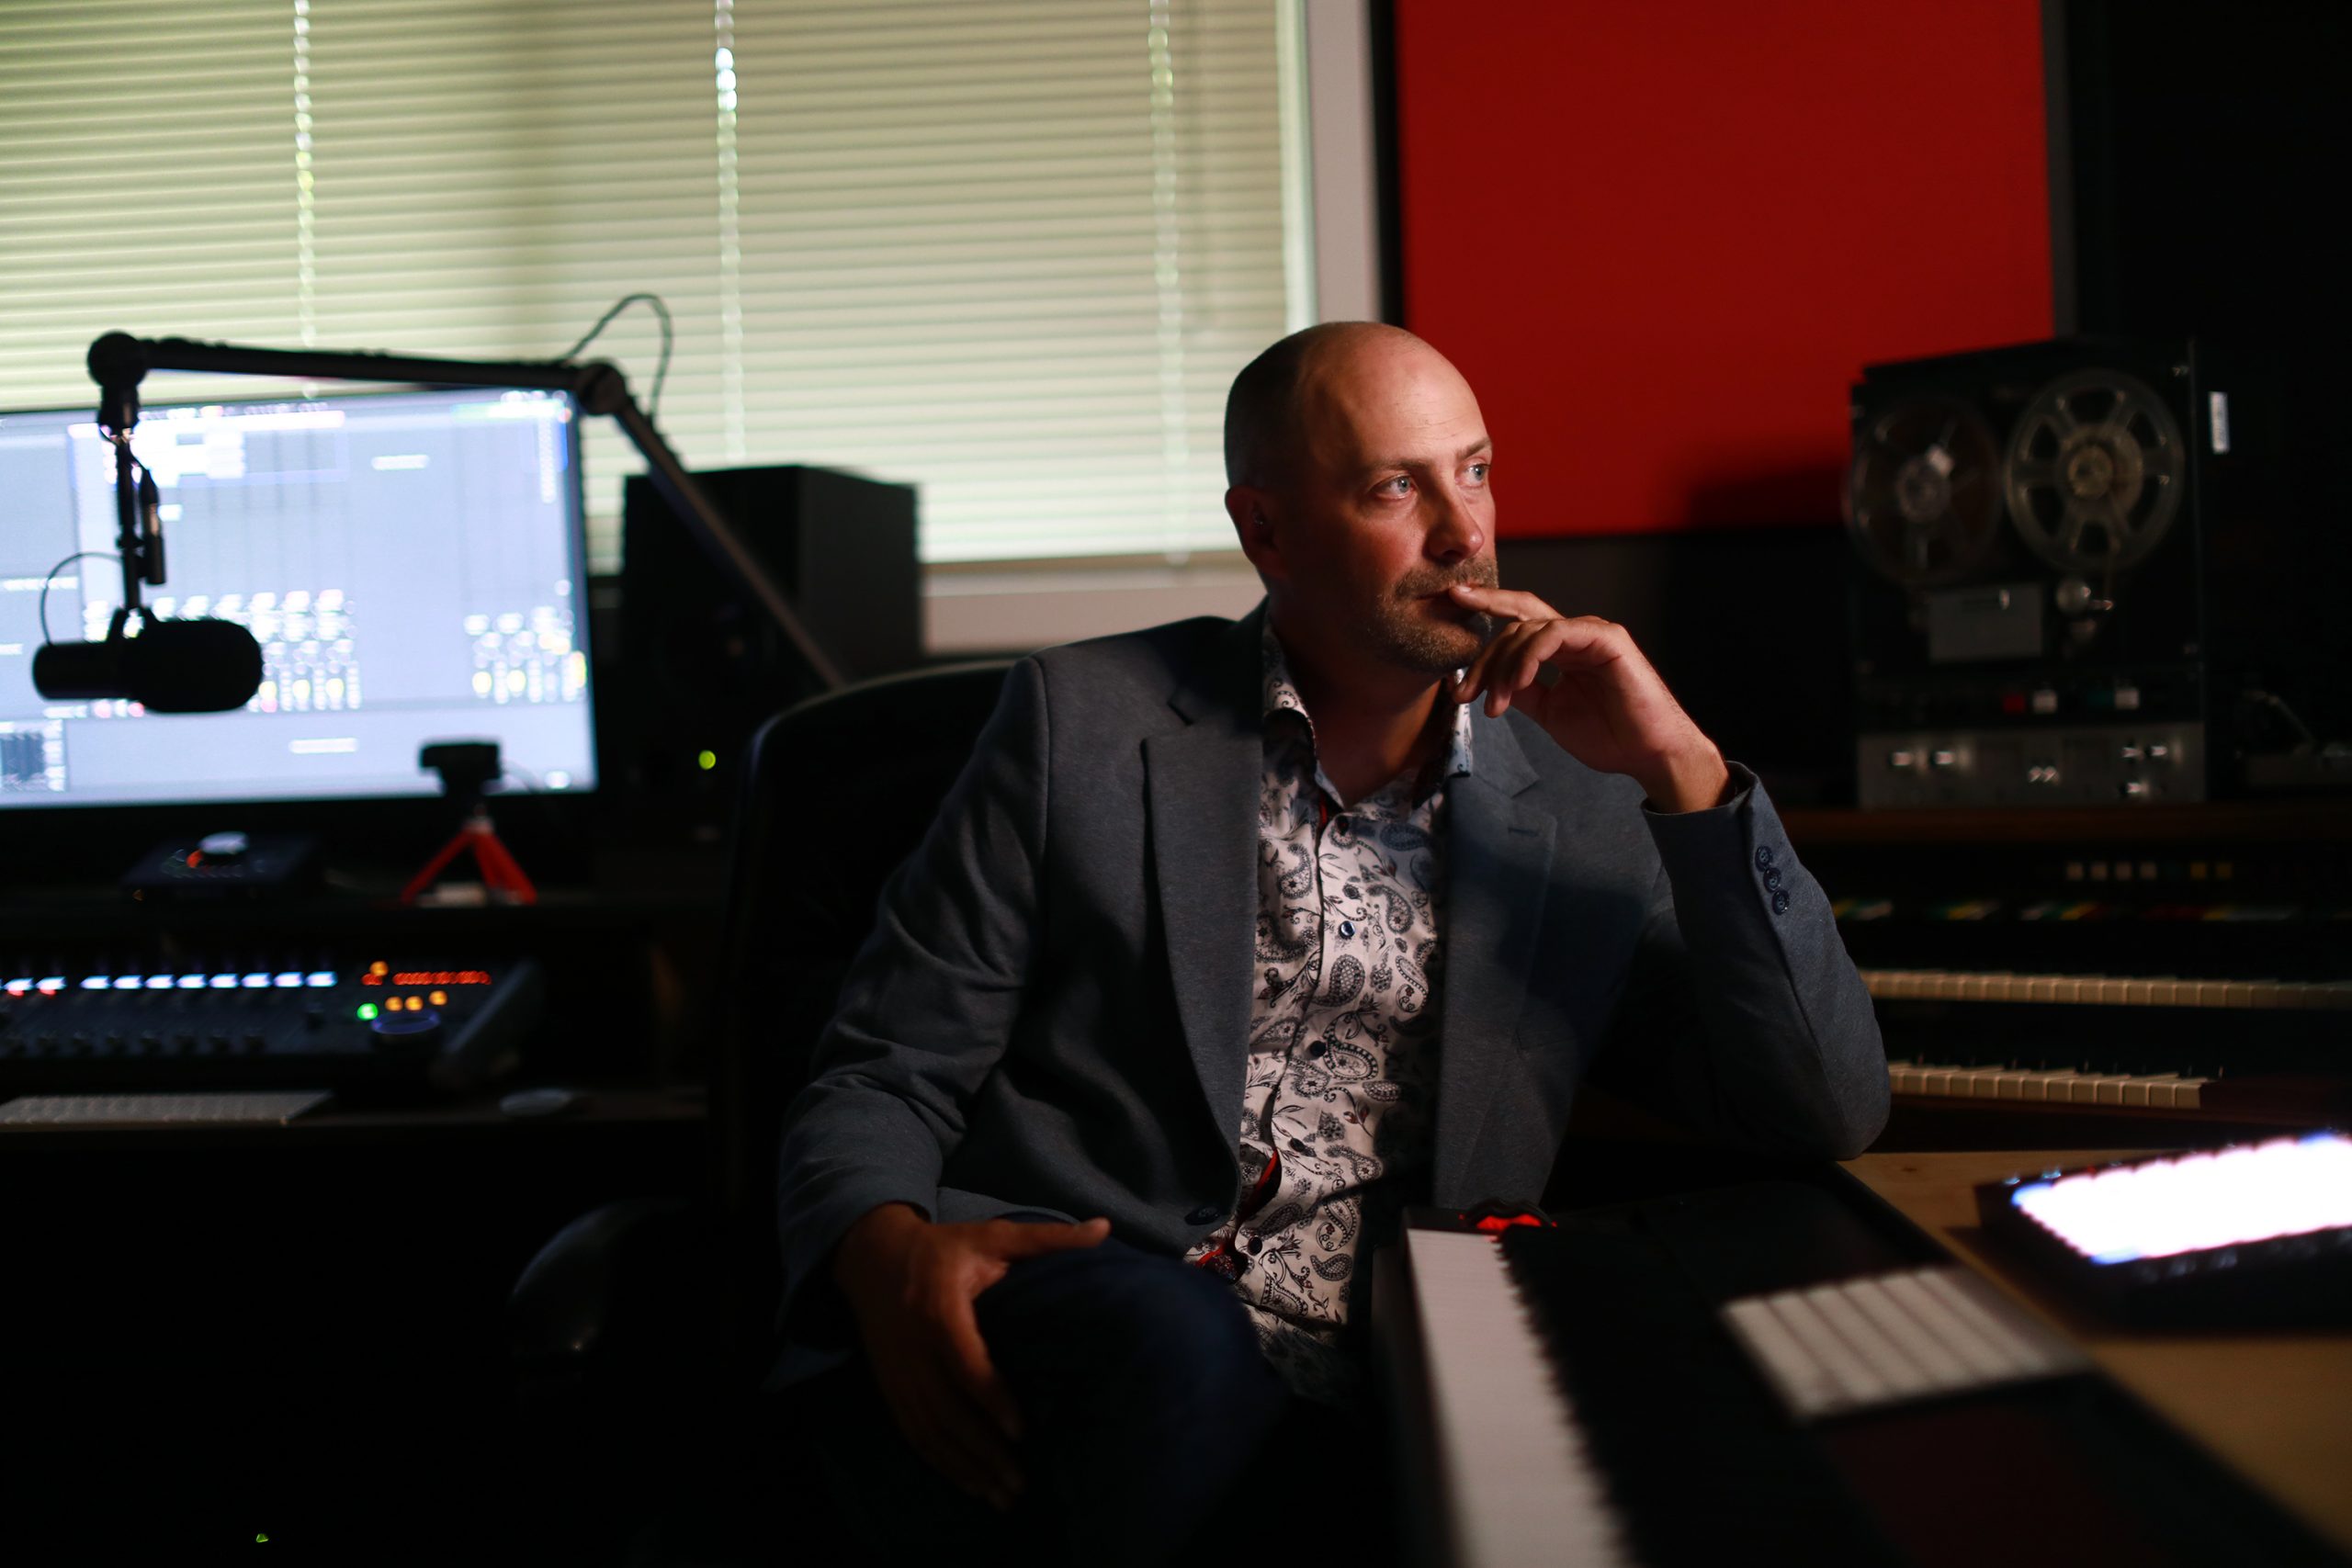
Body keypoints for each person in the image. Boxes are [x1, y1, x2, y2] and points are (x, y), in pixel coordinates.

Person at [774, 322, 1888, 1565]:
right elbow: (883, 1070)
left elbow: (1822, 1107)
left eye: (1475, 469)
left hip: (1392, 1372)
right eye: (1395, 487)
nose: (1465, 533)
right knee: (1182, 1351)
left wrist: (1685, 774)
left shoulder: (1584, 799)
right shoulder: (1080, 721)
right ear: (1269, 533)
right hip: (1089, 1321)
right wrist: (884, 1263)